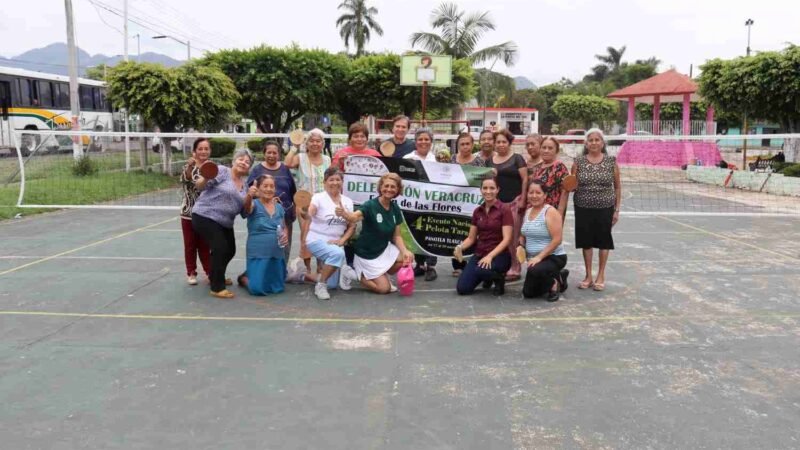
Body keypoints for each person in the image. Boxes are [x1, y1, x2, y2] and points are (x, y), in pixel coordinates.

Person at [335, 173, 414, 294]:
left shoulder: (395, 208)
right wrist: (344, 214)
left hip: (383, 249)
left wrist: (404, 251)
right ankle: (353, 274)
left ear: (398, 190)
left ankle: (380, 274)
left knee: (407, 258)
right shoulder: (370, 205)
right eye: (386, 186)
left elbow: (397, 236)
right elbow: (353, 218)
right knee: (384, 289)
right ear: (380, 187)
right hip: (366, 254)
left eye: (393, 187)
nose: (389, 189)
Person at [191, 149, 254, 299]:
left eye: (247, 162)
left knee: (229, 250)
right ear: (233, 161)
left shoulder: (245, 187)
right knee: (220, 247)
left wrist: (250, 197)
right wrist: (205, 177)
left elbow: (245, 214)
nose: (243, 163)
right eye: (241, 159)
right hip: (205, 215)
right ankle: (217, 286)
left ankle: (215, 275)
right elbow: (200, 186)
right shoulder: (222, 171)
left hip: (225, 222)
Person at [570, 128, 622, 291]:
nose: (593, 143)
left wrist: (616, 210)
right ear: (586, 143)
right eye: (590, 140)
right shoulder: (578, 161)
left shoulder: (611, 161)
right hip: (582, 207)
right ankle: (588, 276)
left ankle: (601, 275)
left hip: (605, 207)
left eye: (597, 140)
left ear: (602, 143)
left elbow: (618, 187)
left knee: (603, 241)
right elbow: (572, 184)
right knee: (586, 242)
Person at [300, 167, 359, 300]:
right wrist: (306, 212)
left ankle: (303, 275)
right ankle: (320, 285)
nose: (335, 182)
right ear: (325, 182)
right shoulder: (318, 197)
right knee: (338, 254)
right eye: (331, 179)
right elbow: (310, 213)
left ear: (342, 182)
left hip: (336, 243)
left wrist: (342, 240)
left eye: (338, 179)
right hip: (316, 240)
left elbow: (352, 226)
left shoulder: (348, 202)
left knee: (332, 284)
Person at [455, 177, 513, 296]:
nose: (488, 191)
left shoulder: (504, 209)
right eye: (485, 188)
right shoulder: (477, 211)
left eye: (492, 188)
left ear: (497, 190)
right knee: (463, 289)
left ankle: (498, 279)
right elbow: (471, 238)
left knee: (481, 270)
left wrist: (490, 256)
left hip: (499, 255)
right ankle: (486, 276)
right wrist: (460, 247)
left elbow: (507, 239)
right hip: (480, 254)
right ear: (480, 190)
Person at [285, 128, 331, 276]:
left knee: (322, 235)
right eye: (312, 140)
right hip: (304, 204)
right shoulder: (300, 157)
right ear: (307, 143)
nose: (315, 143)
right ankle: (307, 269)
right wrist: (294, 146)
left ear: (323, 143)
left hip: (323, 204)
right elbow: (287, 164)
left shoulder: (327, 159)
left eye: (318, 141)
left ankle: (320, 266)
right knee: (307, 235)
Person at [239, 175, 290, 296]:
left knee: (278, 288)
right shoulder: (254, 204)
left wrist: (286, 234)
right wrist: (249, 195)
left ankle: (254, 274)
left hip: (277, 252)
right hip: (258, 252)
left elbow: (284, 226)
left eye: (272, 186)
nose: (269, 189)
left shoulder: (279, 207)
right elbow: (246, 209)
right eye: (265, 186)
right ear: (258, 188)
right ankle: (244, 279)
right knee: (256, 289)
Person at [247, 140, 297, 261]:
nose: (271, 155)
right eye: (269, 152)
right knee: (266, 246)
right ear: (264, 153)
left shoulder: (285, 169)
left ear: (279, 154)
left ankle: (281, 272)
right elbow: (250, 191)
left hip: (285, 214)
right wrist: (265, 198)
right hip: (263, 216)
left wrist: (294, 209)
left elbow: (293, 191)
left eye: (275, 153)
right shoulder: (257, 170)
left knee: (284, 245)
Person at [489, 129, 528, 281]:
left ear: (509, 143)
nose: (500, 145)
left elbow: (525, 179)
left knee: (514, 237)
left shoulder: (517, 158)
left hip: (514, 202)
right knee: (499, 237)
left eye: (503, 142)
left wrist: (523, 199)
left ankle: (516, 267)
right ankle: (503, 265)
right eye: (498, 142)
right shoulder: (490, 161)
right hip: (498, 204)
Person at [521, 180, 568, 302]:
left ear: (545, 195)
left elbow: (557, 240)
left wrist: (539, 257)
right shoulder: (527, 212)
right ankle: (560, 276)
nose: (534, 196)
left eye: (538, 192)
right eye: (531, 192)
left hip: (554, 256)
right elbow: (524, 233)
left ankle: (554, 283)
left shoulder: (550, 212)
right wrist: (520, 246)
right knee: (528, 293)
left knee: (534, 270)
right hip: (535, 260)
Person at [404, 128, 438, 280]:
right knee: (415, 231)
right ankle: (419, 264)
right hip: (413, 203)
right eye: (420, 139)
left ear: (431, 141)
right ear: (415, 141)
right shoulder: (407, 158)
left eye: (426, 139)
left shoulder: (436, 159)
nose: (423, 142)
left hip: (432, 203)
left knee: (431, 232)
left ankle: (431, 266)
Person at [179, 138, 211, 285]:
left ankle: (210, 272)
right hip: (189, 213)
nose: (203, 151)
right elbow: (187, 180)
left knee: (205, 245)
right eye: (200, 148)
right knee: (190, 245)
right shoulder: (188, 167)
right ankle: (191, 273)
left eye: (206, 149)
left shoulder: (212, 168)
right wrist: (190, 167)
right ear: (195, 151)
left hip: (206, 214)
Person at [530, 136, 571, 215]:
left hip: (552, 212)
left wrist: (559, 213)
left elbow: (565, 192)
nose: (546, 151)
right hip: (536, 212)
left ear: (556, 150)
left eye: (550, 148)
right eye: (544, 147)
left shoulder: (559, 167)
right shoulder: (537, 168)